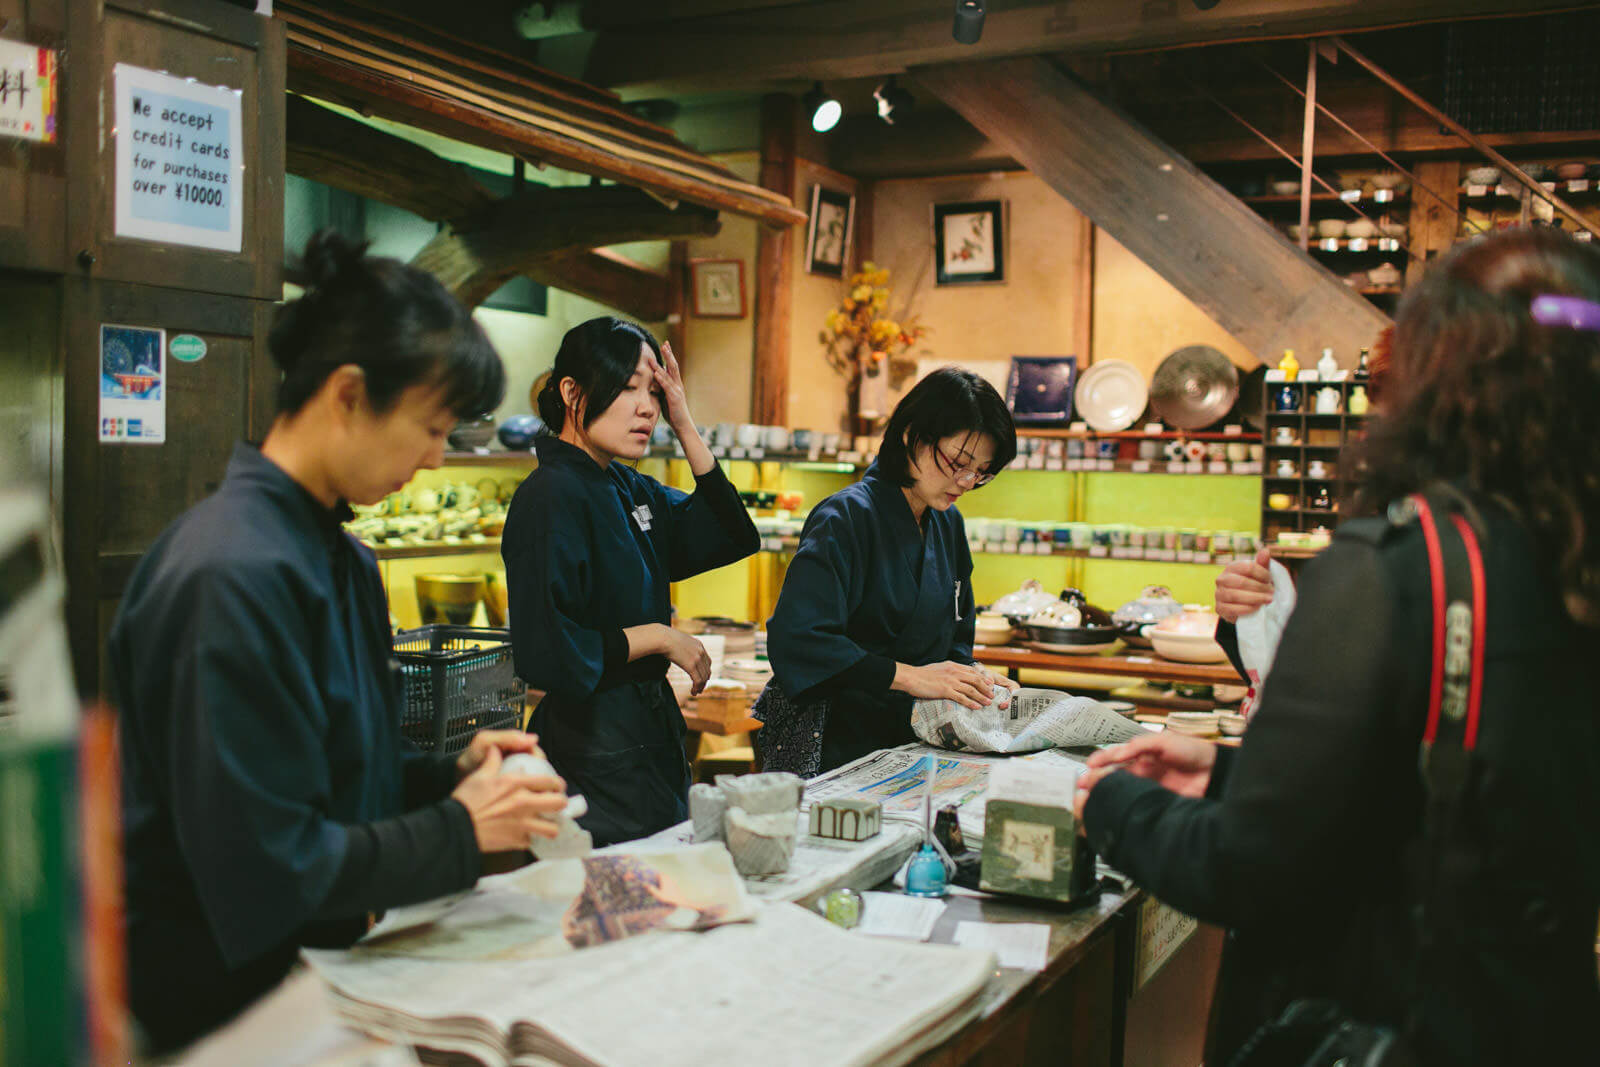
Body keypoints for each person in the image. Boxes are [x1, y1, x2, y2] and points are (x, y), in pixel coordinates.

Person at [1074, 229, 1600, 1065]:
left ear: (1433, 383)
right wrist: (1236, 774)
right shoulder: (1563, 565)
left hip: (1380, 1018)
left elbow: (1251, 868)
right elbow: (1459, 799)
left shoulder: (1398, 567)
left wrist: (1111, 805)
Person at [109, 232, 570, 1055]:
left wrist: (448, 775)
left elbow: (340, 778)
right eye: (430, 427)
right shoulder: (229, 573)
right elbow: (264, 865)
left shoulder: (344, 559)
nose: (435, 459)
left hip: (323, 978)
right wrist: (461, 830)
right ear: (350, 394)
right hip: (217, 1008)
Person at [502, 317, 759, 847]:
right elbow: (548, 653)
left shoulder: (625, 484)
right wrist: (660, 636)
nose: (647, 407)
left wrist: (685, 423)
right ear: (571, 392)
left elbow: (734, 535)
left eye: (654, 392)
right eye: (627, 388)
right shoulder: (549, 496)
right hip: (590, 755)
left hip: (650, 741)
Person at [759, 367, 1020, 776]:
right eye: (959, 463)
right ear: (911, 434)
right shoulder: (845, 517)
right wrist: (911, 677)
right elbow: (799, 640)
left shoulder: (947, 523)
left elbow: (955, 640)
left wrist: (973, 679)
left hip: (914, 737)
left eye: (980, 472)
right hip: (837, 741)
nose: (966, 482)